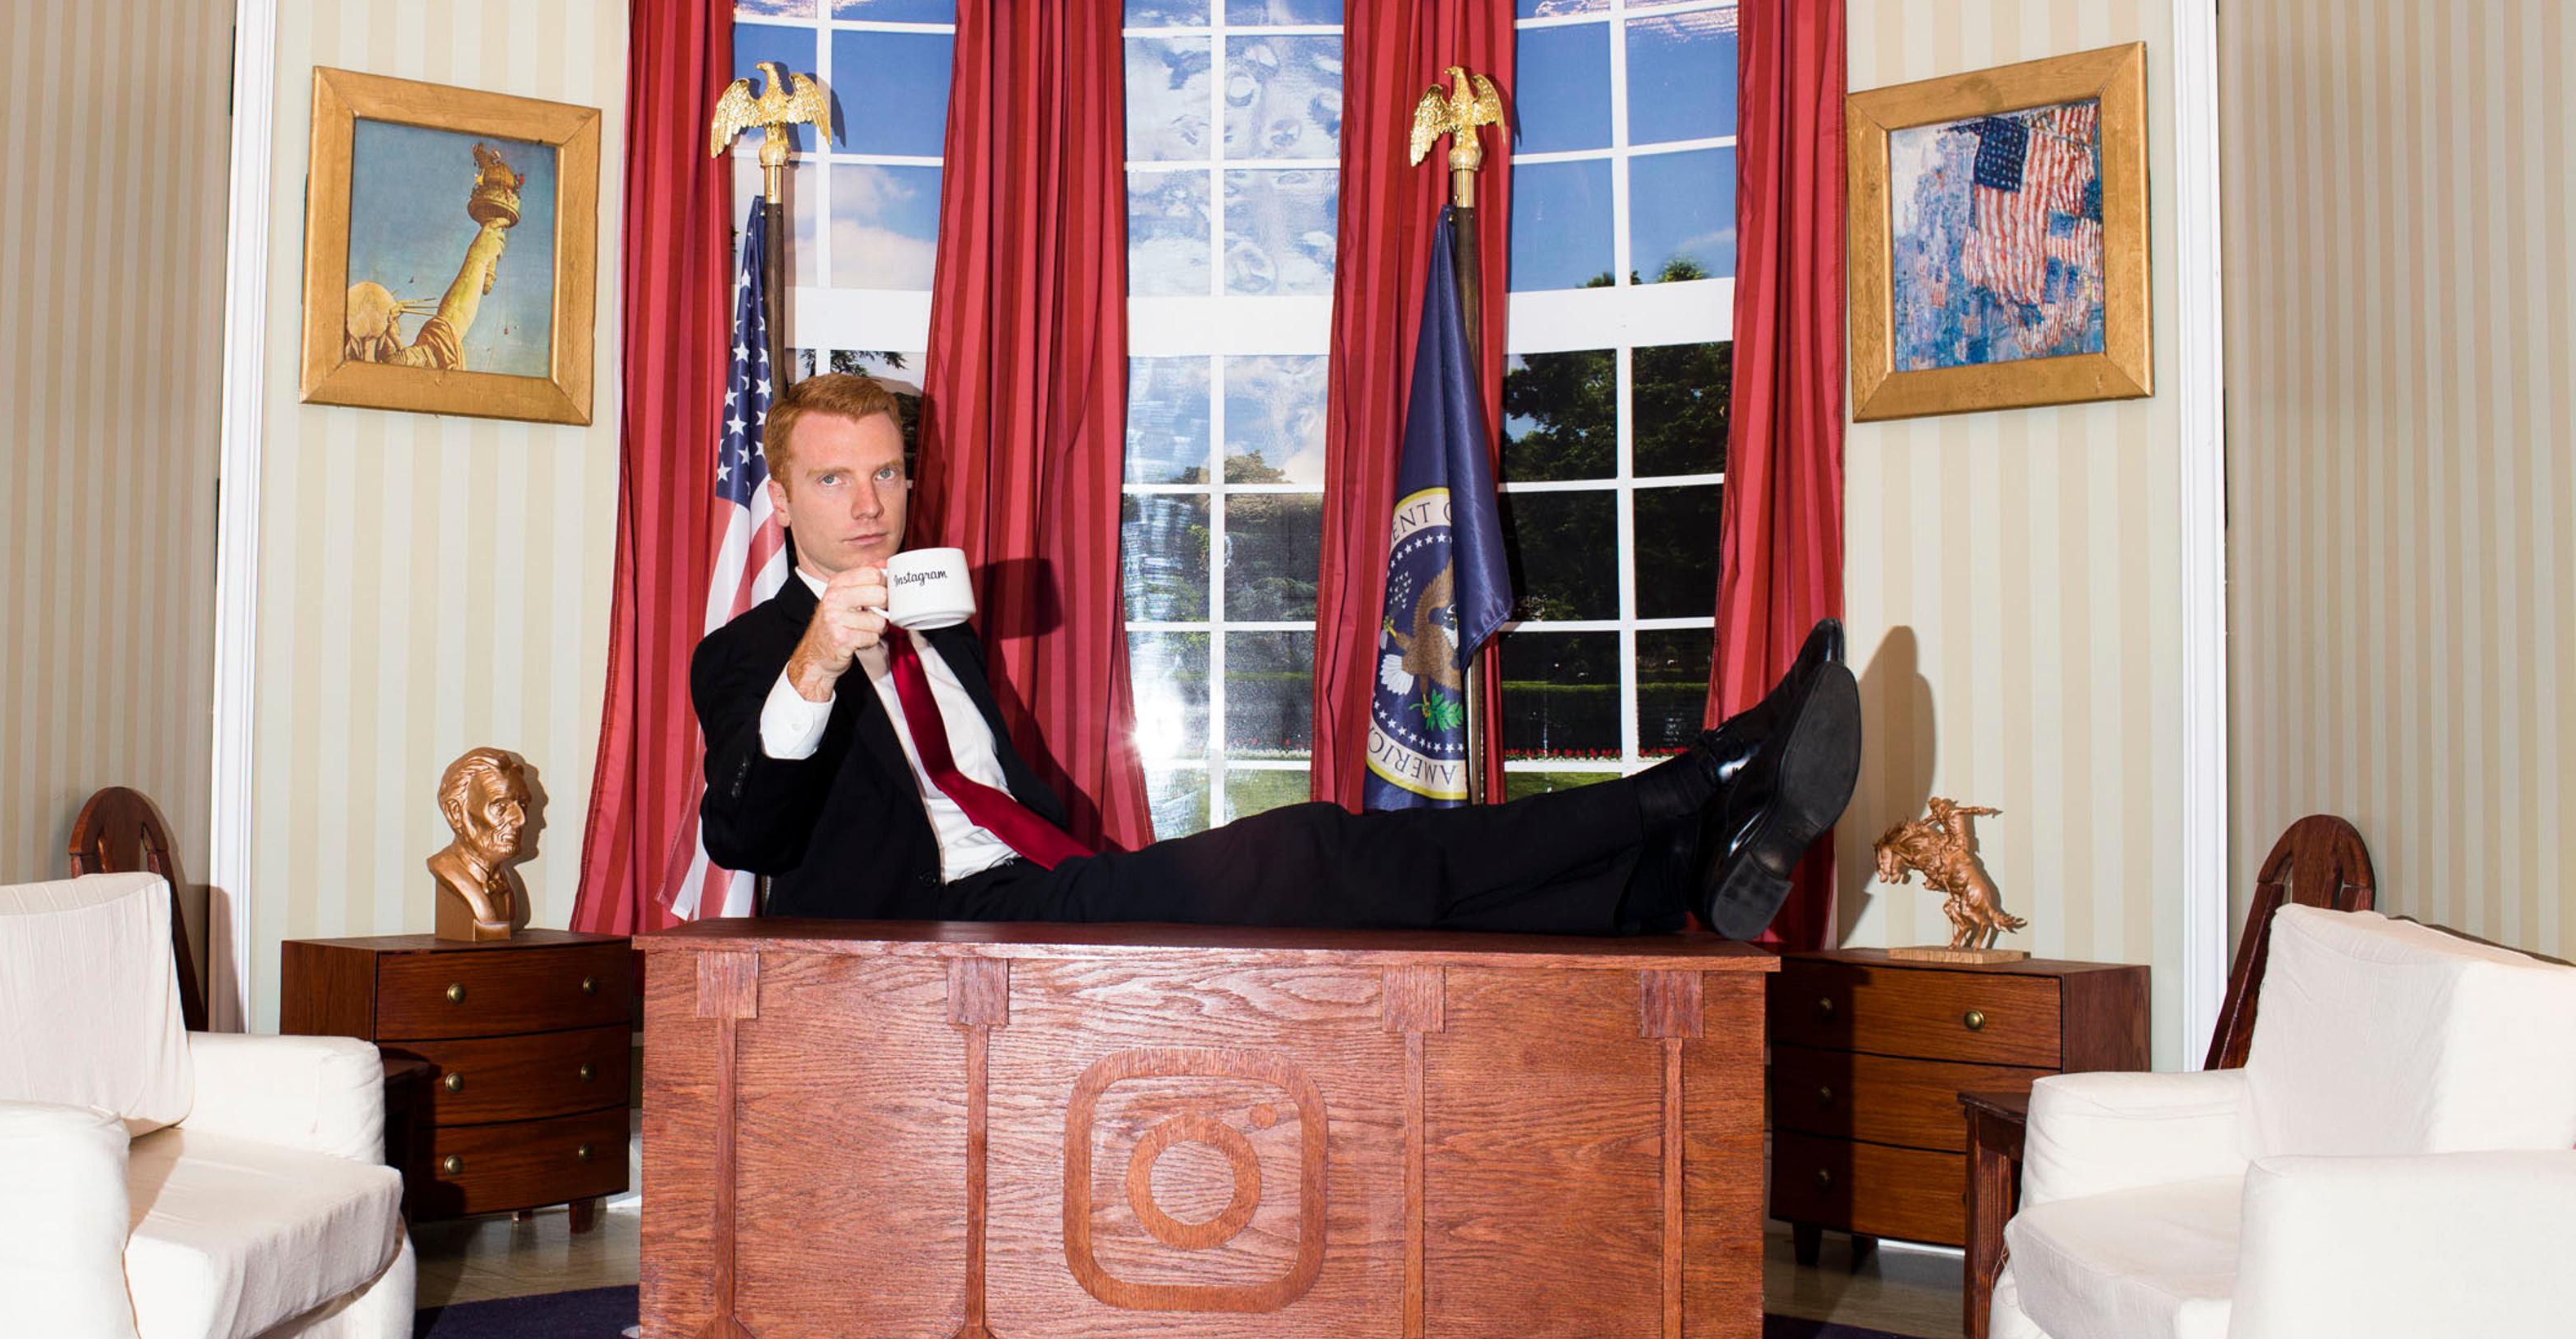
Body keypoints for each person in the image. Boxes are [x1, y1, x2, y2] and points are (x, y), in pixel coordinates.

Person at [691, 374, 1858, 941]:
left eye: (889, 472)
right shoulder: (752, 654)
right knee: (1318, 844)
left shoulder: (934, 621)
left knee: (1374, 869)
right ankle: (1697, 789)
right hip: (936, 931)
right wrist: (816, 664)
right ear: (784, 497)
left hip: (1046, 893)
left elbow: (1002, 795)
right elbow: (745, 832)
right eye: (834, 478)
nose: (870, 502)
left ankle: (1665, 870)